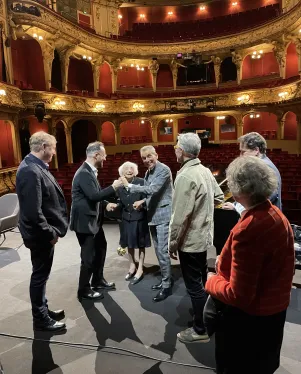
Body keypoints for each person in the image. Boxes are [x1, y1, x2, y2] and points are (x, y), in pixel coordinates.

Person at [204, 156, 295, 374]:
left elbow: (240, 295)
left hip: (250, 322)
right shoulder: (276, 214)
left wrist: (211, 281)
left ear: (240, 189)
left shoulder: (250, 229)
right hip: (274, 312)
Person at [168, 133, 224, 344]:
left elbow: (179, 219)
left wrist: (172, 244)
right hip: (203, 238)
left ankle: (200, 329)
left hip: (189, 241)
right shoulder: (205, 171)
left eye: (176, 146)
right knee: (201, 281)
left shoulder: (185, 176)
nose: (174, 149)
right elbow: (218, 197)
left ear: (182, 151)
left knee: (194, 287)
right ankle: (205, 317)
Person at [16, 131, 68, 332]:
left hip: (41, 234)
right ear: (44, 147)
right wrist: (51, 234)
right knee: (39, 276)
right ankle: (40, 319)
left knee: (41, 275)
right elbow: (32, 212)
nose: (55, 152)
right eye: (53, 147)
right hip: (40, 236)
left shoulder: (34, 166)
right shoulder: (30, 170)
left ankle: (43, 310)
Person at [70, 141, 122, 301]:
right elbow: (93, 196)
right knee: (88, 257)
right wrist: (114, 187)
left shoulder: (89, 171)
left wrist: (106, 205)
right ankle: (84, 289)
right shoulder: (84, 173)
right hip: (85, 223)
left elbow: (93, 196)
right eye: (104, 155)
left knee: (100, 249)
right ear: (96, 155)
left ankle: (98, 280)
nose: (105, 158)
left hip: (93, 221)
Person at [120, 145, 173, 302]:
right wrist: (143, 201)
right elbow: (150, 194)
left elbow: (153, 189)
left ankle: (167, 285)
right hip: (153, 216)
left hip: (163, 215)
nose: (147, 160)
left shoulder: (163, 169)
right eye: (144, 158)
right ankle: (165, 280)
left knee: (162, 252)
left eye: (150, 156)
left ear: (156, 155)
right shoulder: (149, 171)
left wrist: (129, 185)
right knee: (158, 251)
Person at [223, 132, 282, 214]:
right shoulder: (258, 166)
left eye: (243, 152)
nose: (240, 155)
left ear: (256, 150)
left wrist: (236, 209)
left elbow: (264, 200)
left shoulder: (266, 168)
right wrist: (235, 205)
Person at [114, 162, 151, 284]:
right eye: (126, 169)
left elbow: (149, 197)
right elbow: (120, 201)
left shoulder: (141, 182)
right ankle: (132, 266)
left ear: (135, 171)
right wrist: (116, 205)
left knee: (140, 244)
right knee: (129, 243)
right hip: (126, 218)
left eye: (131, 168)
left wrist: (142, 202)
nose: (129, 170)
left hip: (140, 217)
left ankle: (140, 267)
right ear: (122, 172)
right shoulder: (119, 185)